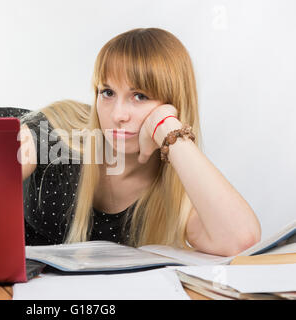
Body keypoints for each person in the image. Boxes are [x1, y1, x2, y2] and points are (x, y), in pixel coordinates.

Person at [19, 27, 261, 256]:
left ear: (173, 105)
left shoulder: (174, 197)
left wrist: (168, 129)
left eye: (140, 96)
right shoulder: (60, 133)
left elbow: (240, 240)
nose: (117, 115)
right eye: (107, 92)